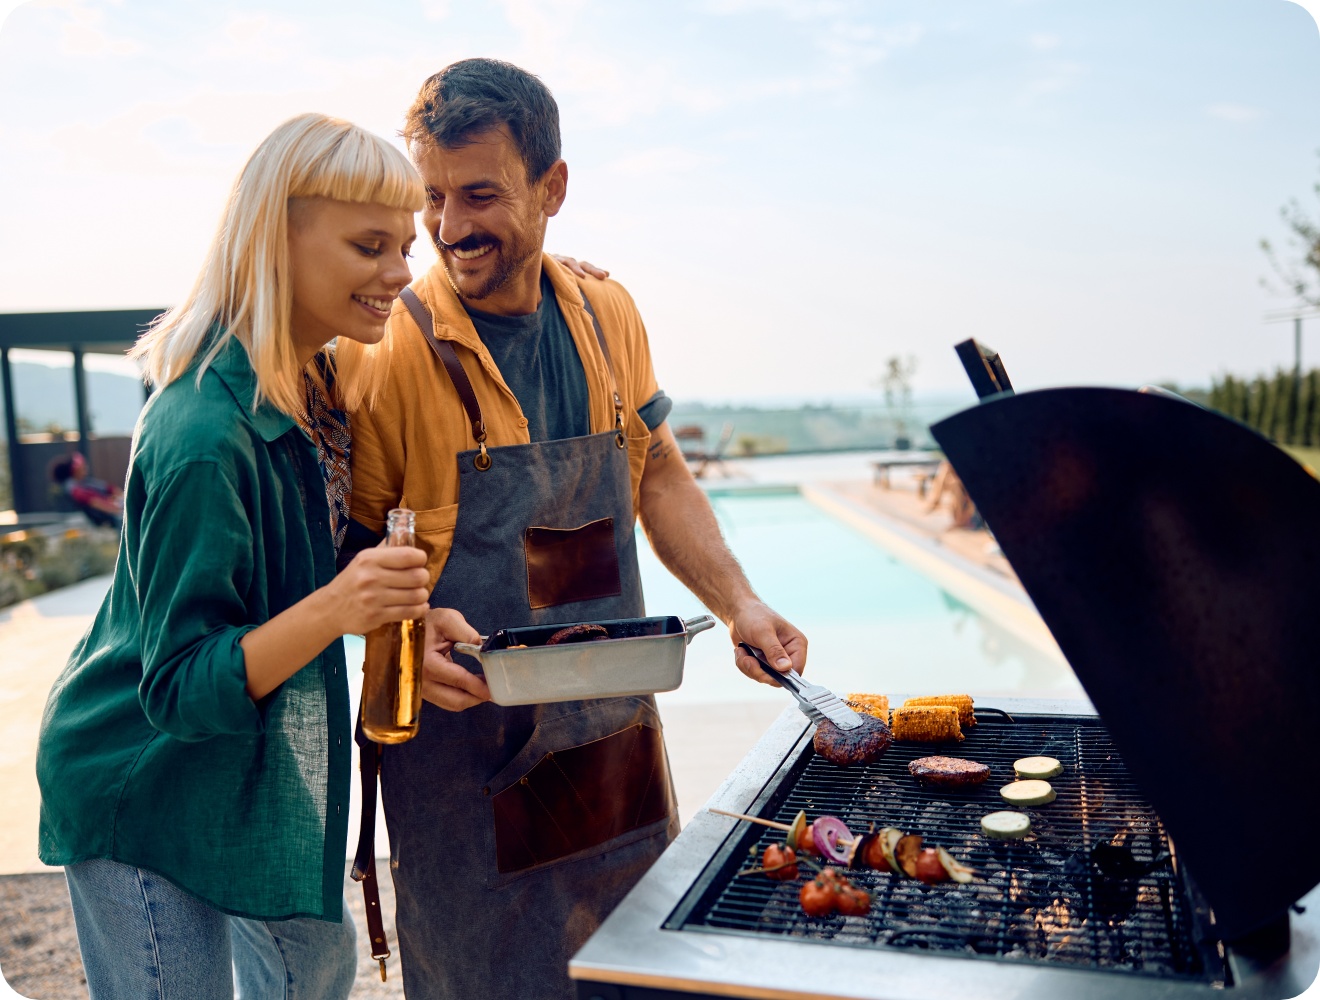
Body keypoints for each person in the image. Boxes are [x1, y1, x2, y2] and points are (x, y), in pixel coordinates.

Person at [337, 59, 809, 1000]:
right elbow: (347, 552)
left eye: (481, 194)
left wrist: (740, 603)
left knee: (637, 981)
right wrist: (397, 635)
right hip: (466, 771)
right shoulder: (384, 351)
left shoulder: (609, 315)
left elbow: (660, 471)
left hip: (611, 756)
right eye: (432, 196)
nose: (450, 227)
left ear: (552, 187)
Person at [34, 113, 472, 999]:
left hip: (244, 773)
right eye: (370, 246)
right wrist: (341, 610)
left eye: (405, 244)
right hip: (139, 775)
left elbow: (312, 554)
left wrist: (405, 624)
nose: (402, 272)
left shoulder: (313, 382)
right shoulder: (200, 432)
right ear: (280, 240)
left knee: (314, 971)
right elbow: (180, 688)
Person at [51, 451, 123, 530]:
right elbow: (96, 502)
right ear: (74, 470)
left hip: (115, 507)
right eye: (83, 467)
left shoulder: (84, 482)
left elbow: (110, 488)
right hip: (108, 519)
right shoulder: (74, 489)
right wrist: (120, 511)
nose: (86, 470)